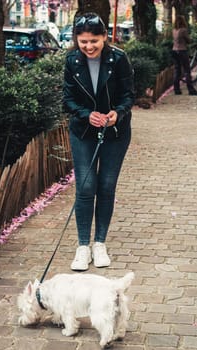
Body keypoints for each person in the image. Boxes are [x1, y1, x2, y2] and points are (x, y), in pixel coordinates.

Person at [63, 12, 135, 271]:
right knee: (85, 187)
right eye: (83, 42)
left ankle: (99, 243)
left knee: (106, 185)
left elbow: (129, 94)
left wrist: (119, 113)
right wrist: (86, 114)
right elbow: (68, 100)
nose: (89, 46)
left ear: (105, 36)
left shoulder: (119, 59)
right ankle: (82, 246)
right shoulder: (72, 61)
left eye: (94, 40)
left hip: (115, 133)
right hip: (83, 132)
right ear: (77, 41)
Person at [172, 15, 197, 96]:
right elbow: (188, 40)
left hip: (174, 51)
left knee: (177, 70)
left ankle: (176, 89)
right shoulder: (183, 30)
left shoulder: (174, 30)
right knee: (187, 71)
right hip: (182, 51)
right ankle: (191, 90)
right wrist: (192, 41)